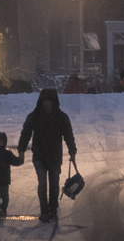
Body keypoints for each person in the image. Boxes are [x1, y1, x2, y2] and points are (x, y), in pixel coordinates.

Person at [16, 87, 78, 221]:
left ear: (54, 101)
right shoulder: (34, 116)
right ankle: (44, 210)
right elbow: (25, 133)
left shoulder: (61, 117)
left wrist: (72, 151)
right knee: (43, 183)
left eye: (49, 101)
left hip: (54, 155)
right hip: (39, 155)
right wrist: (21, 150)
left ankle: (53, 208)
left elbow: (68, 135)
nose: (47, 103)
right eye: (45, 101)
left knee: (54, 183)